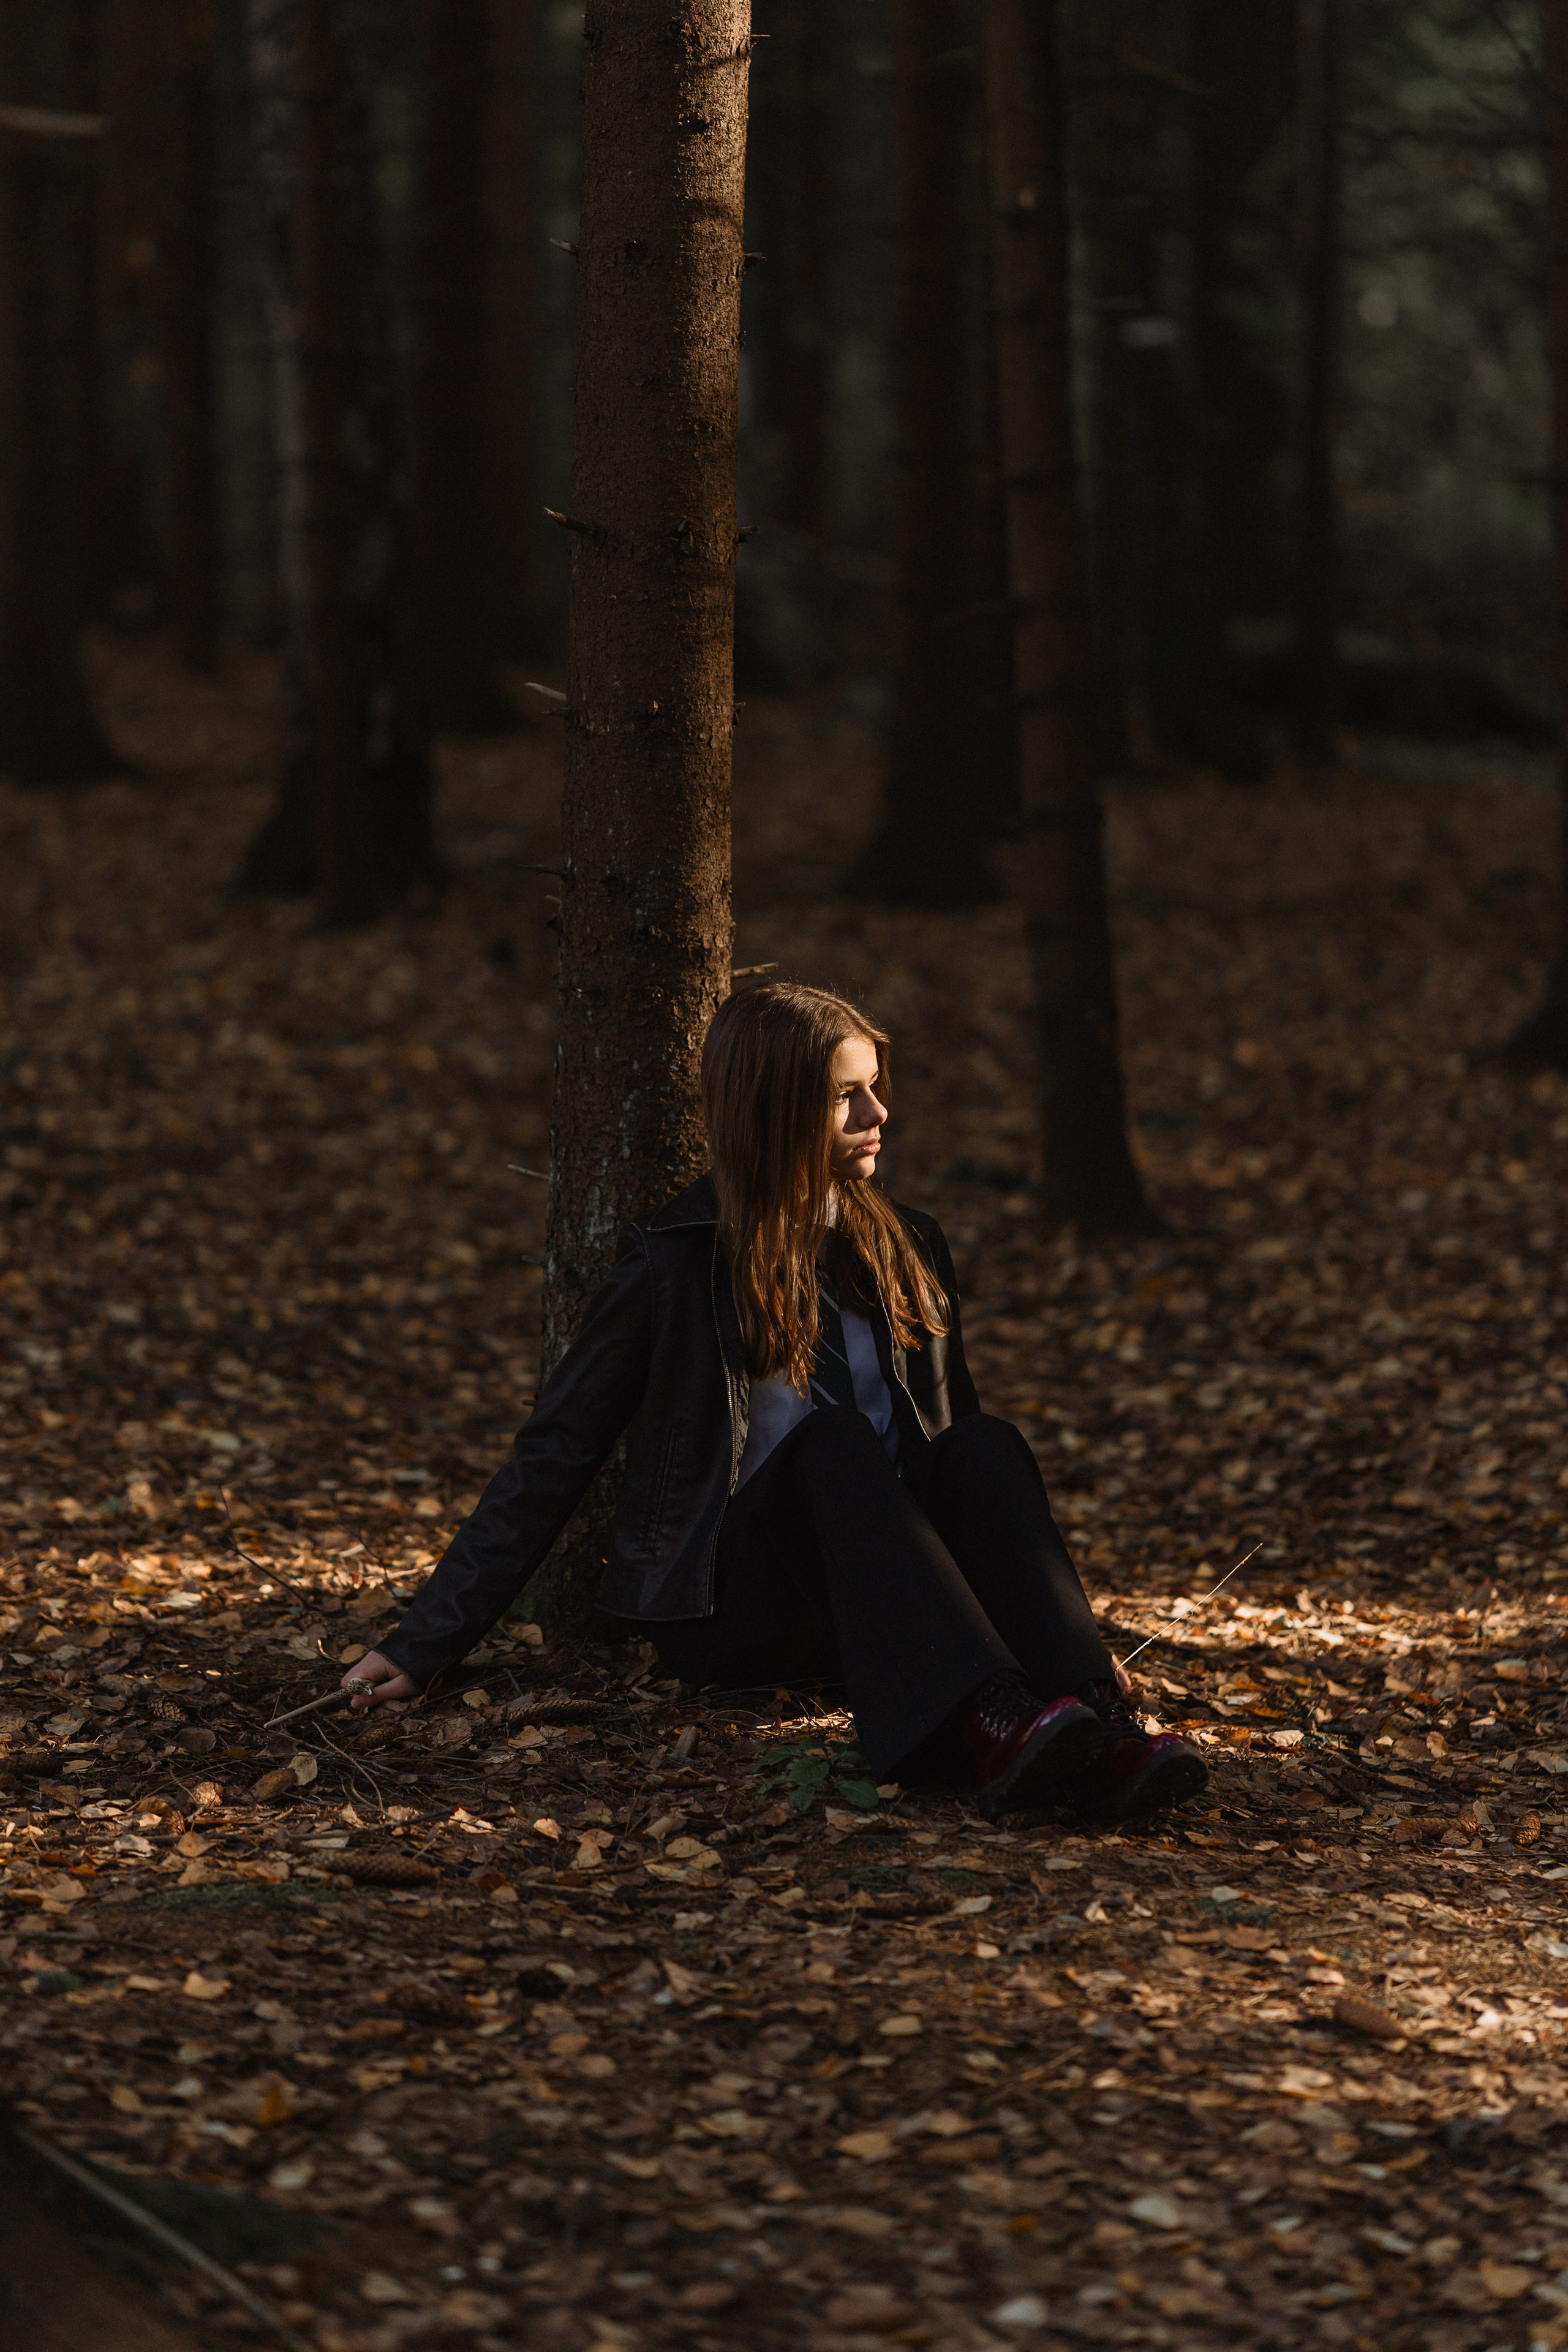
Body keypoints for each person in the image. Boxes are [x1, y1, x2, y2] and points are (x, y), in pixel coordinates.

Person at [344, 982, 1207, 1826]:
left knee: (985, 1444)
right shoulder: (674, 1265)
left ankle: (1098, 1722)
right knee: (833, 1444)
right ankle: (991, 1725)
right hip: (737, 1605)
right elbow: (555, 1452)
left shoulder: (907, 1243)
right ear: (773, 1111)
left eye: (876, 1088)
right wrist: (423, 1644)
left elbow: (951, 1464)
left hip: (886, 1593)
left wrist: (1061, 1633)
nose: (878, 1115)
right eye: (846, 1097)